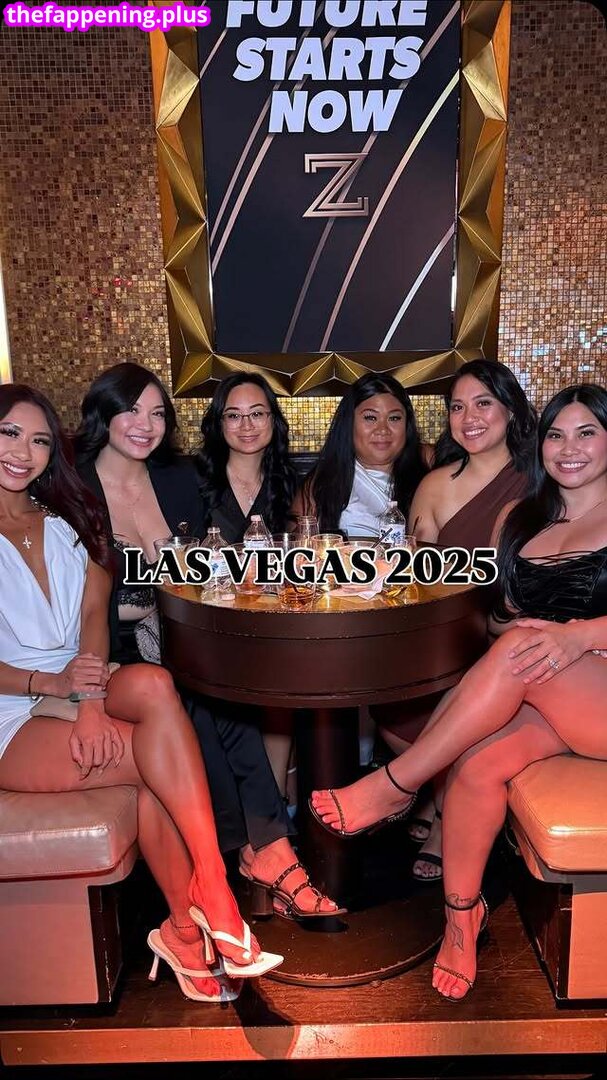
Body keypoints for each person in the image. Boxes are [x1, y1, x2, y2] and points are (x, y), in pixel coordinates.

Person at [310, 383, 607, 1001]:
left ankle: (396, 784)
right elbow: (499, 618)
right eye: (556, 435)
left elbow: (544, 639)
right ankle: (461, 917)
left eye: (586, 433)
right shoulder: (524, 518)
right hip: (552, 691)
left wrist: (578, 635)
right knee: (476, 762)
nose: (568, 448)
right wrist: (513, 627)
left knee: (518, 651)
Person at [0, 383, 283, 1005]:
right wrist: (49, 685)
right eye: (9, 434)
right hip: (12, 708)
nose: (23, 452)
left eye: (39, 440)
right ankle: (198, 914)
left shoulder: (65, 516)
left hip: (80, 680)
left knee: (157, 685)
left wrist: (89, 699)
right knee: (155, 761)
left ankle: (204, 896)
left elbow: (94, 611)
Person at [75, 364, 341, 921]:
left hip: (173, 635)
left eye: (157, 413)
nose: (146, 424)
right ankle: (260, 851)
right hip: (106, 645)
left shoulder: (175, 480)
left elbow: (207, 571)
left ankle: (263, 849)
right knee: (199, 700)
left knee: (223, 698)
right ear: (103, 414)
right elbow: (81, 601)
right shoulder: (73, 488)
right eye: (131, 410)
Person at [381, 360, 537, 882]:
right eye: (457, 407)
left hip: (511, 634)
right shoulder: (434, 485)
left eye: (483, 403)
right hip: (449, 636)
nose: (469, 418)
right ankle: (437, 791)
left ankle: (444, 818)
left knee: (470, 693)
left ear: (510, 410)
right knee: (391, 704)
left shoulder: (543, 481)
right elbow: (413, 578)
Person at [294, 372, 428, 537]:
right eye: (370, 418)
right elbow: (296, 545)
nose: (383, 430)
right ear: (349, 422)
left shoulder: (429, 475)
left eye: (394, 418)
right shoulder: (322, 483)